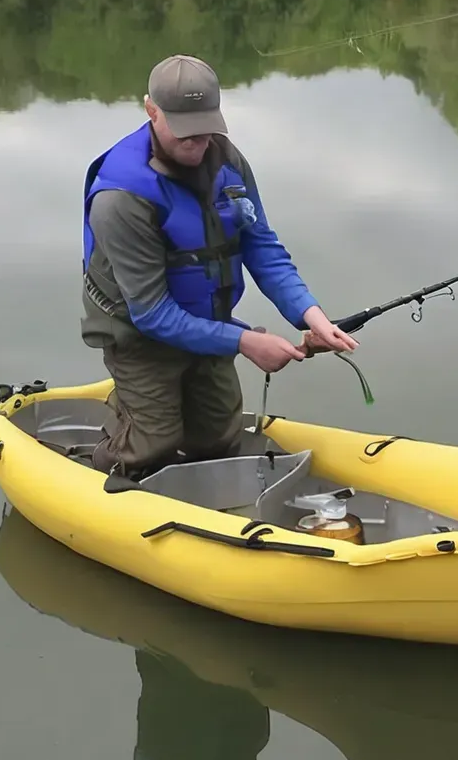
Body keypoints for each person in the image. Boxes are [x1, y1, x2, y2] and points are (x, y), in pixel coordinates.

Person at [80, 53, 357, 477]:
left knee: (219, 439)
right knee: (155, 443)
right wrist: (245, 342)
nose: (197, 144)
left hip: (207, 320)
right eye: (185, 132)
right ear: (151, 110)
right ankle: (102, 456)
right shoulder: (120, 196)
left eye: (206, 129)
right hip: (137, 332)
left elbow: (260, 245)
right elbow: (152, 314)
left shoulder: (227, 161)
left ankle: (158, 425)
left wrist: (311, 314)